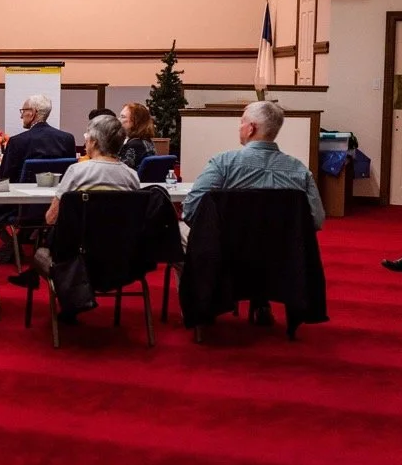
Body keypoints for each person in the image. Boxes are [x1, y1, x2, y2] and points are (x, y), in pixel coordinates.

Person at [180, 100, 324, 326]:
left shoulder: (223, 164)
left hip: (226, 256)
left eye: (241, 122)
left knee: (186, 236)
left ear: (251, 128)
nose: (240, 127)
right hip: (281, 259)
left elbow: (191, 209)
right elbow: (316, 219)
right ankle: (262, 299)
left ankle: (202, 305)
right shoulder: (299, 170)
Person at [21, 115, 142, 301]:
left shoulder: (78, 172)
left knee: (48, 240)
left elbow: (51, 218)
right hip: (122, 258)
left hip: (76, 259)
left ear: (93, 142)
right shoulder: (131, 176)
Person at [0, 94, 77, 263]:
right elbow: (69, 175)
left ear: (33, 112)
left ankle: (1, 249)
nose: (21, 115)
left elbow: (4, 178)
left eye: (23, 111)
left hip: (21, 209)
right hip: (56, 207)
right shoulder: (67, 139)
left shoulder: (17, 142)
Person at [118, 102, 157, 171]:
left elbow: (121, 172)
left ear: (135, 121)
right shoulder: (146, 141)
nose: (118, 120)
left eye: (123, 117)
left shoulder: (135, 144)